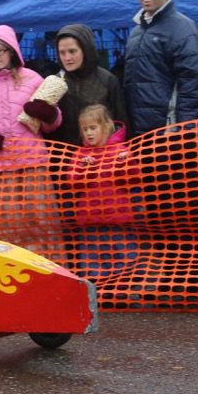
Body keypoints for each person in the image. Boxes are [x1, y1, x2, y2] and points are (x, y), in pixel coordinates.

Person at [0, 24, 65, 261]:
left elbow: (53, 123)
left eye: (0, 50)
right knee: (0, 230)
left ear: (11, 51)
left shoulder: (33, 78)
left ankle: (48, 276)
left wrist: (49, 114)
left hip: (32, 167)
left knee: (39, 226)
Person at [122, 0, 198, 136]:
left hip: (169, 132)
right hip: (139, 132)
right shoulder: (136, 32)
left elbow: (192, 87)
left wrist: (186, 132)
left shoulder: (184, 30)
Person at [63, 104, 138, 282]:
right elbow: (71, 181)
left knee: (123, 255)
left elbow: (133, 180)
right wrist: (83, 168)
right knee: (92, 260)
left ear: (106, 127)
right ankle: (100, 293)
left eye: (93, 128)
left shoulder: (121, 151)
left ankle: (124, 289)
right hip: (89, 219)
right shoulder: (80, 155)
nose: (89, 133)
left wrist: (123, 164)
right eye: (85, 129)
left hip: (118, 218)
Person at [51, 24, 128, 145]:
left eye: (72, 51)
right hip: (66, 157)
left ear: (86, 50)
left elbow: (121, 122)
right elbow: (50, 130)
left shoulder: (107, 80)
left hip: (102, 156)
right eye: (62, 52)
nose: (67, 57)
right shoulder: (55, 82)